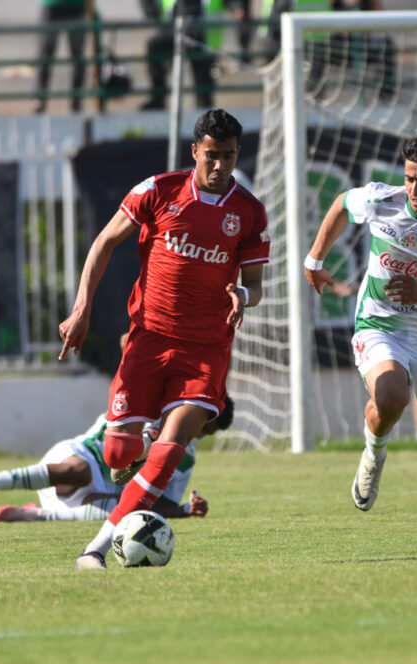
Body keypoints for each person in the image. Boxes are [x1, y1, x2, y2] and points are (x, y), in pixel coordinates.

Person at [58, 108, 269, 569]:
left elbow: (255, 284)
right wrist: (81, 309)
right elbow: (103, 243)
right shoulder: (157, 190)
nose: (220, 165)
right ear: (195, 151)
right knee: (117, 453)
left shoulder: (249, 212)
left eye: (229, 156)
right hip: (149, 338)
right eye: (211, 155)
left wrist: (242, 295)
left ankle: (95, 549)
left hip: (206, 349)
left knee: (169, 454)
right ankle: (144, 439)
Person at [304, 134, 417, 557]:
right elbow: (342, 204)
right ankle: (374, 453)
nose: (415, 190)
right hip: (379, 324)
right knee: (391, 395)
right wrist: (315, 259)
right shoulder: (382, 200)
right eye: (410, 178)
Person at [0, 395, 234, 522]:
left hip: (97, 502)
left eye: (205, 434)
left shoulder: (184, 459)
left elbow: (158, 505)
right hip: (77, 461)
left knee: (127, 511)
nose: (197, 435)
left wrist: (185, 510)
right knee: (81, 471)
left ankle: (35, 515)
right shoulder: (152, 408)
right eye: (202, 427)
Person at [139, 0, 215, 110]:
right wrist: (153, 14)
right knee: (154, 46)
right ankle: (158, 99)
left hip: (193, 29)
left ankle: (204, 103)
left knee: (200, 66)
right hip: (174, 28)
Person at [34, 0, 89, 114]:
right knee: (46, 55)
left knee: (77, 57)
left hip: (75, 7)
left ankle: (76, 102)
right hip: (53, 6)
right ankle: (40, 100)